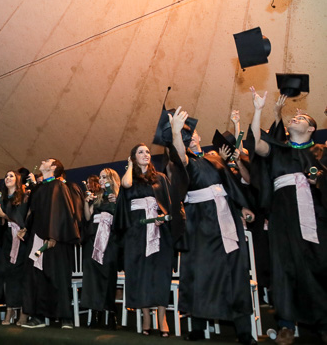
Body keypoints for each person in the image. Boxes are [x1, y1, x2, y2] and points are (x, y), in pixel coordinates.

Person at [168, 108, 256, 345]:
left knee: (234, 273)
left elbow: (231, 183)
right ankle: (197, 327)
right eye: (189, 134)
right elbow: (179, 154)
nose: (193, 136)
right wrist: (176, 131)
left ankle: (243, 331)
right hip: (200, 223)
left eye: (193, 133)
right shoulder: (182, 161)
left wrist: (242, 206)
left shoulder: (215, 157)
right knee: (200, 272)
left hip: (225, 218)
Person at [249, 89, 327, 345]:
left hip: (314, 219)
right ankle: (286, 325)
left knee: (316, 266)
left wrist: (319, 180)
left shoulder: (320, 153)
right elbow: (257, 141)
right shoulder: (278, 149)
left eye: (302, 118)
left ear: (311, 129)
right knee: (283, 268)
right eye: (294, 117)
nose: (296, 117)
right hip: (282, 218)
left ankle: (322, 322)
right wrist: (259, 110)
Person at [118, 144, 175, 337]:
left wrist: (162, 216)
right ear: (133, 157)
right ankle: (145, 317)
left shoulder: (160, 178)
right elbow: (125, 185)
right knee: (139, 272)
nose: (146, 154)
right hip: (136, 231)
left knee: (160, 272)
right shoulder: (130, 178)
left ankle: (162, 317)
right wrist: (129, 166)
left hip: (159, 231)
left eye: (148, 152)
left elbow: (169, 203)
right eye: (140, 152)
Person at [21, 158, 80, 329]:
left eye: (47, 161)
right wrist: (26, 228)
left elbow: (62, 212)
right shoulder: (39, 187)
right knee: (36, 277)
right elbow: (34, 212)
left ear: (53, 167)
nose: (42, 161)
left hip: (55, 240)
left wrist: (53, 236)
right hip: (37, 237)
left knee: (58, 278)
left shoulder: (59, 186)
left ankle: (65, 318)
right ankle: (38, 316)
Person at [81, 167, 121, 329]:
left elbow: (123, 220)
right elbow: (87, 216)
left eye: (105, 177)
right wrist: (86, 202)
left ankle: (111, 314)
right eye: (100, 177)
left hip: (110, 241)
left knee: (109, 276)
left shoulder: (118, 196)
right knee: (92, 278)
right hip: (93, 239)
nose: (102, 180)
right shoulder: (96, 197)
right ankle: (96, 314)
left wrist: (116, 202)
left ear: (112, 179)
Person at [0, 170, 29, 326]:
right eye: (6, 176)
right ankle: (10, 309)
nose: (7, 178)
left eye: (11, 176)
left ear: (18, 180)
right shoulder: (4, 198)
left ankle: (24, 312)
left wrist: (5, 216)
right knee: (8, 274)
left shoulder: (25, 197)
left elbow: (23, 219)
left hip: (21, 239)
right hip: (8, 239)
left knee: (21, 275)